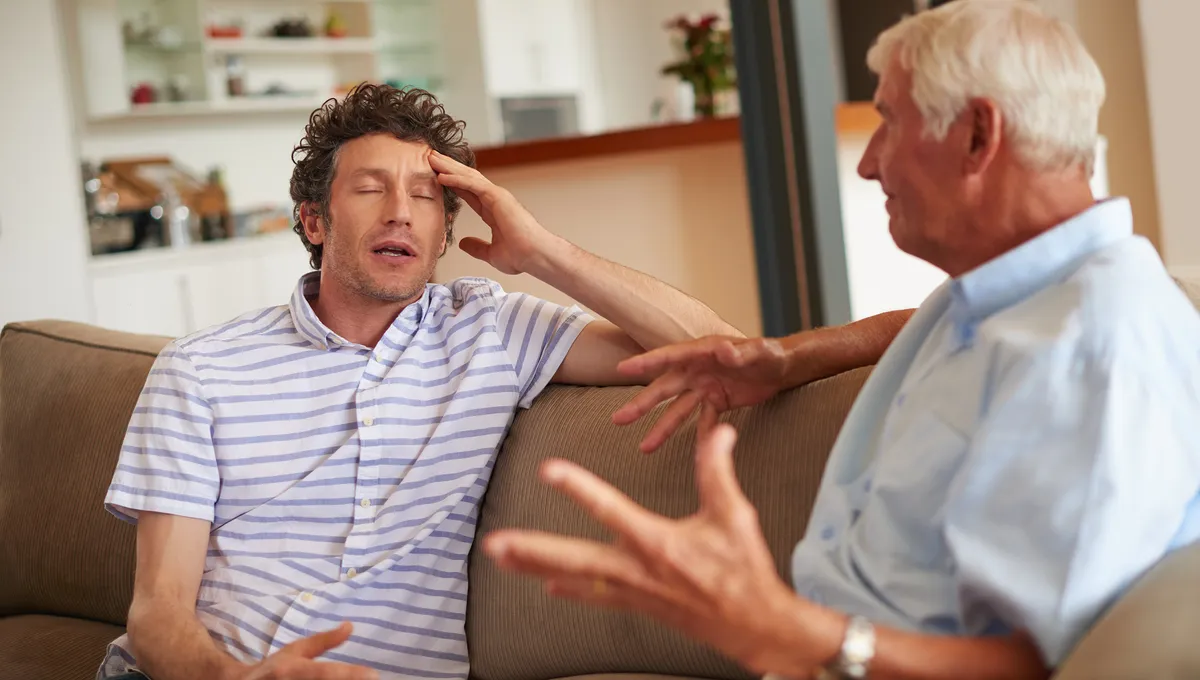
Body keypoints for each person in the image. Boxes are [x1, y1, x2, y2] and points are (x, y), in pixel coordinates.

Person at [482, 1, 1200, 678]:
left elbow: (1033, 667)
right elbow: (933, 326)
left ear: (979, 135)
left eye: (890, 121)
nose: (868, 160)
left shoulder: (1095, 347)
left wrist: (785, 627)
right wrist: (787, 357)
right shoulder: (1007, 299)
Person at [96, 84, 898, 680]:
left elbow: (718, 350)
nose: (401, 213)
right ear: (314, 221)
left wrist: (542, 250)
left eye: (426, 196)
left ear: (450, 227)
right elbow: (158, 614)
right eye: (371, 189)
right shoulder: (201, 370)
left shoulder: (492, 329)